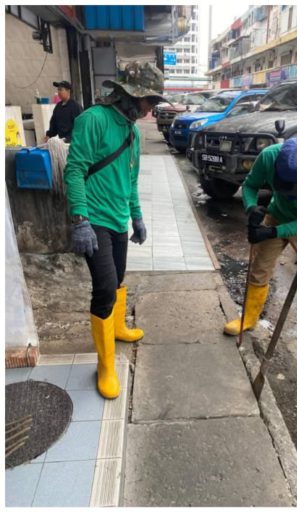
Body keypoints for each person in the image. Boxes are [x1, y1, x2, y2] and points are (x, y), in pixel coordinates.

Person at [64, 62, 165, 399]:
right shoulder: (93, 120)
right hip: (94, 220)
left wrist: (137, 217)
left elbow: (130, 180)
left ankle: (118, 327)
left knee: (118, 278)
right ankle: (105, 365)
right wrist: (80, 219)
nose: (150, 109)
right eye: (149, 101)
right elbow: (75, 170)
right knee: (105, 288)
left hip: (118, 218)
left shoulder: (132, 132)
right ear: (130, 95)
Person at [227, 136, 297, 349]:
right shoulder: (269, 156)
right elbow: (250, 185)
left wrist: (272, 232)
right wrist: (251, 208)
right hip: (277, 214)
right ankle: (249, 318)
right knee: (259, 266)